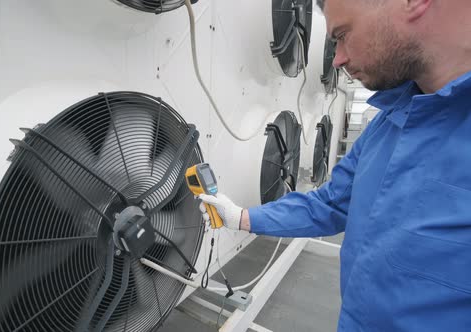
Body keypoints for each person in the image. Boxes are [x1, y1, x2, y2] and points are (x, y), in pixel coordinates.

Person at [198, 0, 471, 330]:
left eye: (343, 34)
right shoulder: (385, 126)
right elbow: (328, 204)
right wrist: (240, 217)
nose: (338, 59)